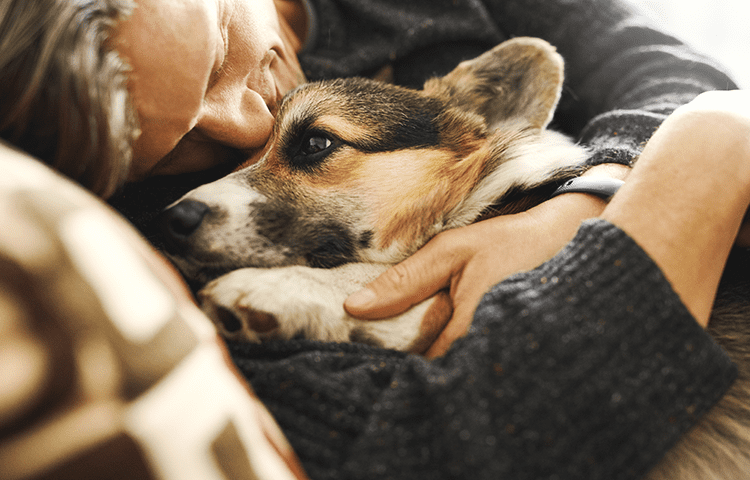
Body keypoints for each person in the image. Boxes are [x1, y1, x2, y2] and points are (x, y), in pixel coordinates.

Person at [0, 0, 745, 478]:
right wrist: (707, 151)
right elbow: (443, 444)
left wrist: (584, 200)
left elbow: (674, 72)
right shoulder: (147, 237)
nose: (246, 123)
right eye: (176, 146)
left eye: (224, 42)